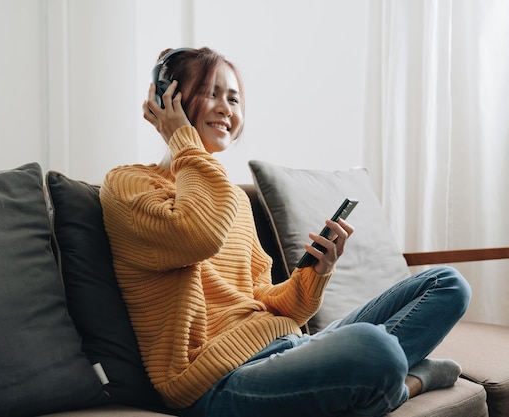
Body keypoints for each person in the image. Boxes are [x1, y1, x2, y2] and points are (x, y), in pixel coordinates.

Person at [99, 46, 471, 417]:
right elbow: (200, 234)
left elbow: (273, 301)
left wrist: (317, 272)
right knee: (377, 348)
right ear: (169, 98)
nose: (227, 108)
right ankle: (405, 382)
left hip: (287, 346)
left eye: (234, 98)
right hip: (215, 378)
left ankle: (375, 384)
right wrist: (182, 139)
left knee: (447, 283)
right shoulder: (128, 185)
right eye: (212, 93)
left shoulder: (233, 200)